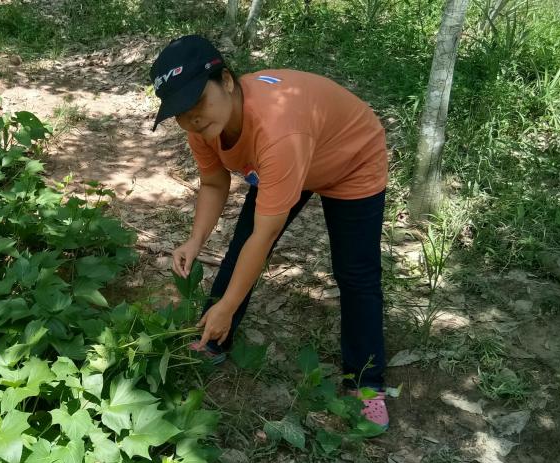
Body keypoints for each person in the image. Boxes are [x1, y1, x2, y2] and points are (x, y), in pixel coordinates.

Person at [149, 35, 390, 427]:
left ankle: (367, 383)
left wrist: (228, 305)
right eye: (181, 111)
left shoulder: (277, 132)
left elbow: (264, 237)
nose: (193, 118)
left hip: (350, 158)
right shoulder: (203, 126)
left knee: (356, 274)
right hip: (293, 158)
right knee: (240, 247)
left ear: (227, 81)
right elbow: (213, 183)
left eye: (198, 101)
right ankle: (213, 338)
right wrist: (195, 240)